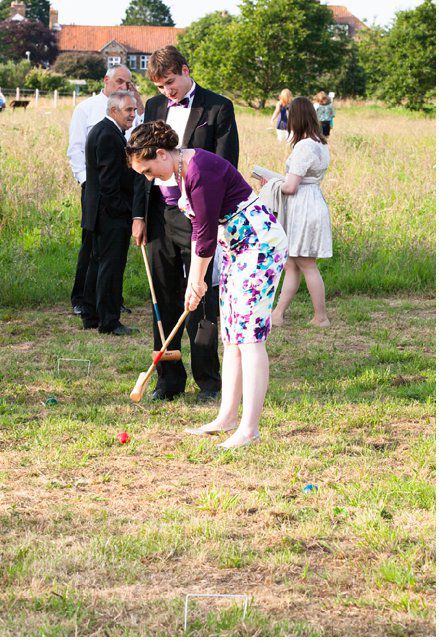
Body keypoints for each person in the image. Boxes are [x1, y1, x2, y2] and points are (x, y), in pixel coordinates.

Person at [127, 121, 287, 449]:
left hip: (259, 246)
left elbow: (203, 234)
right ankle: (227, 416)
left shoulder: (199, 170)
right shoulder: (178, 173)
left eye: (147, 169)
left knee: (250, 339)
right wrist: (196, 282)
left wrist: (195, 282)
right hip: (236, 248)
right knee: (231, 336)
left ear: (161, 154)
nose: (147, 177)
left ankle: (250, 428)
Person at [132, 45, 239, 402]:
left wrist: (212, 217)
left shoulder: (218, 107)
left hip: (198, 214)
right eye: (160, 86)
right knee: (162, 297)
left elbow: (226, 164)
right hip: (160, 216)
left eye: (171, 82)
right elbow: (141, 165)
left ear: (185, 69)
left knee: (201, 296)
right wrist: (138, 216)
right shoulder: (153, 106)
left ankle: (209, 381)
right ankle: (168, 380)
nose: (167, 91)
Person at [67, 64, 143, 317]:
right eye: (120, 82)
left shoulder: (129, 113)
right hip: (101, 193)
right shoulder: (87, 110)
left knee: (106, 256)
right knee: (96, 252)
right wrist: (88, 183)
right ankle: (88, 304)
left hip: (115, 191)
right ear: (106, 80)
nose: (125, 86)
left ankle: (104, 303)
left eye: (128, 83)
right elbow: (76, 149)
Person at [265, 97, 332, 327]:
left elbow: (291, 187)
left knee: (306, 263)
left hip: (304, 205)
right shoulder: (320, 143)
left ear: (297, 118)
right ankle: (278, 314)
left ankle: (320, 317)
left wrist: (270, 183)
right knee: (291, 263)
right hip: (311, 200)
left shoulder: (305, 146)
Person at [80, 91, 140, 335]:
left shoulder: (105, 131)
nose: (133, 115)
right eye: (128, 110)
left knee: (97, 263)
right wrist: (125, 212)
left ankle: (91, 314)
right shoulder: (107, 135)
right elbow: (109, 183)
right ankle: (108, 321)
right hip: (109, 214)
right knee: (110, 267)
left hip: (99, 211)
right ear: (113, 110)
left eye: (134, 110)